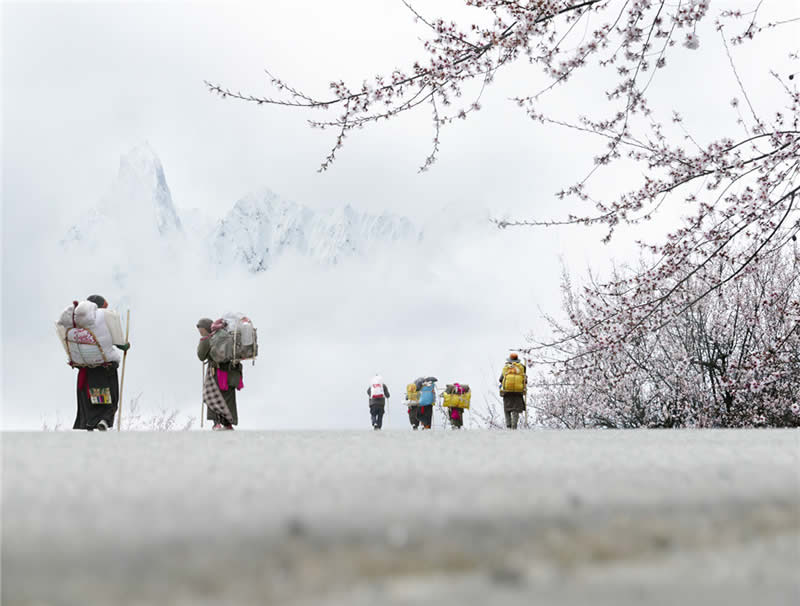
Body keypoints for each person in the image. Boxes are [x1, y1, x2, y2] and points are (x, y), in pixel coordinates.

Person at [62, 295, 130, 431]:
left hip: (85, 374)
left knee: (90, 404)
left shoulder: (75, 322)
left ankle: (89, 426)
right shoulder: (104, 317)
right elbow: (119, 342)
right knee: (106, 401)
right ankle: (103, 421)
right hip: (104, 371)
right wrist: (125, 346)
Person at [197, 317, 242, 431]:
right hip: (231, 373)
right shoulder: (226, 335)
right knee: (228, 399)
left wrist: (203, 341)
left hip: (216, 373)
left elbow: (201, 356)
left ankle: (216, 423)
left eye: (201, 330)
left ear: (206, 328)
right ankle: (228, 424)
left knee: (212, 396)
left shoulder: (208, 339)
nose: (200, 332)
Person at [499, 353, 526, 429]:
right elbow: (525, 380)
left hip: (507, 392)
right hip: (518, 393)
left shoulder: (507, 367)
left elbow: (501, 379)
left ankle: (508, 426)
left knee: (507, 409)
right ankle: (514, 427)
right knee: (515, 410)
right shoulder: (522, 367)